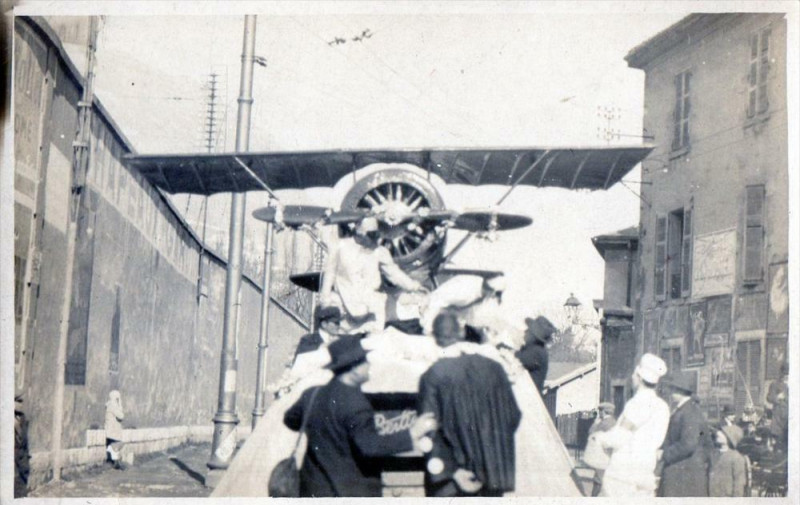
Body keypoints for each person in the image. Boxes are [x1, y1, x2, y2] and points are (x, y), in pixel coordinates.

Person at [284, 336, 436, 497]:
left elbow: (290, 420)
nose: (369, 365)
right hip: (349, 491)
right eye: (365, 360)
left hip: (313, 489)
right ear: (354, 368)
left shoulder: (312, 394)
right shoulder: (355, 402)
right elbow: (369, 446)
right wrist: (412, 433)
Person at [417, 312, 521, 497]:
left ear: (434, 338)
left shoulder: (433, 375)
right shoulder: (494, 368)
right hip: (491, 477)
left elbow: (427, 428)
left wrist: (452, 470)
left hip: (452, 482)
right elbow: (513, 416)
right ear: (461, 332)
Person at [320, 217, 425, 335]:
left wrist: (414, 286)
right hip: (346, 307)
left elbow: (394, 273)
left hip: (372, 310)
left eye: (375, 234)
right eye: (369, 234)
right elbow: (329, 272)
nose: (373, 238)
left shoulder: (380, 251)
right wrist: (325, 299)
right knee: (344, 345)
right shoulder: (339, 246)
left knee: (373, 342)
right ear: (358, 230)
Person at [595, 353, 670, 497]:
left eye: (634, 375)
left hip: (624, 473)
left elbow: (620, 436)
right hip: (646, 470)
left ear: (640, 378)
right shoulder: (662, 406)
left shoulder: (637, 403)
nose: (632, 378)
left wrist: (600, 439)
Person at [657, 371, 710, 497]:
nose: (670, 391)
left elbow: (688, 444)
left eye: (672, 388)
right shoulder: (686, 409)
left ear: (679, 390)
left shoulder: (688, 411)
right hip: (682, 472)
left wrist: (664, 454)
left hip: (683, 475)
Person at [420, 274, 512, 345]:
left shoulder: (485, 295)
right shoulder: (465, 290)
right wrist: (428, 329)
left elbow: (472, 315)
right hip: (433, 309)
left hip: (453, 314)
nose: (493, 296)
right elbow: (436, 301)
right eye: (491, 290)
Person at [515, 316, 557, 393]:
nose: (525, 332)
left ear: (533, 336)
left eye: (528, 331)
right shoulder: (538, 350)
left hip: (529, 398)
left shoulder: (535, 352)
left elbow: (516, 358)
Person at [584, 402, 616, 496]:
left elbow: (591, 432)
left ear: (604, 412)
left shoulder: (604, 423)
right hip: (609, 454)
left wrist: (595, 423)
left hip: (603, 454)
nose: (599, 413)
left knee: (599, 479)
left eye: (600, 411)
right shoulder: (613, 421)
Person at [709, 425, 748, 497]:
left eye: (723, 433)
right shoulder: (713, 454)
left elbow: (739, 483)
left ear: (730, 438)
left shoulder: (736, 457)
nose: (718, 433)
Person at [766, 361, 788, 453]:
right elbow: (769, 397)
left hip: (791, 417)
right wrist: (778, 397)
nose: (786, 376)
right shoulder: (775, 384)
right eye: (785, 373)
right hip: (779, 416)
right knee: (778, 442)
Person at [105, 390, 125, 470]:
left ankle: (113, 462)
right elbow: (121, 416)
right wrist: (120, 404)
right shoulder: (113, 405)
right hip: (113, 430)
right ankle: (116, 463)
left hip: (110, 429)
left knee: (112, 445)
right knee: (115, 446)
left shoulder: (109, 404)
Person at [14, 395, 30, 497]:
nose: (20, 404)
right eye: (17, 401)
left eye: (21, 402)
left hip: (22, 453)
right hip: (12, 454)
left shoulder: (22, 418)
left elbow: (25, 437)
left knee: (23, 478)